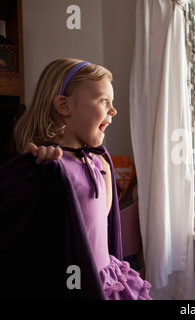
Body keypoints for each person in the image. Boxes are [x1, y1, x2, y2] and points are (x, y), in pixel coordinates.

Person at [7, 58, 151, 300]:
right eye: (104, 101)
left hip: (106, 280)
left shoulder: (98, 163)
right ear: (64, 105)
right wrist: (35, 168)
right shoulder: (46, 167)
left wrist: (103, 170)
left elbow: (102, 224)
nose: (113, 110)